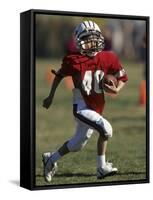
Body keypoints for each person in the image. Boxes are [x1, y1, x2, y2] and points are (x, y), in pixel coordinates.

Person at [42, 20, 128, 183]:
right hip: (81, 106)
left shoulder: (108, 57)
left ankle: (50, 159)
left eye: (94, 39)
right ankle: (101, 168)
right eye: (87, 40)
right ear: (80, 42)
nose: (91, 43)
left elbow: (122, 76)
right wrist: (51, 96)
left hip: (96, 107)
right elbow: (59, 76)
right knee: (106, 129)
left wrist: (117, 89)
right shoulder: (73, 60)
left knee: (77, 144)